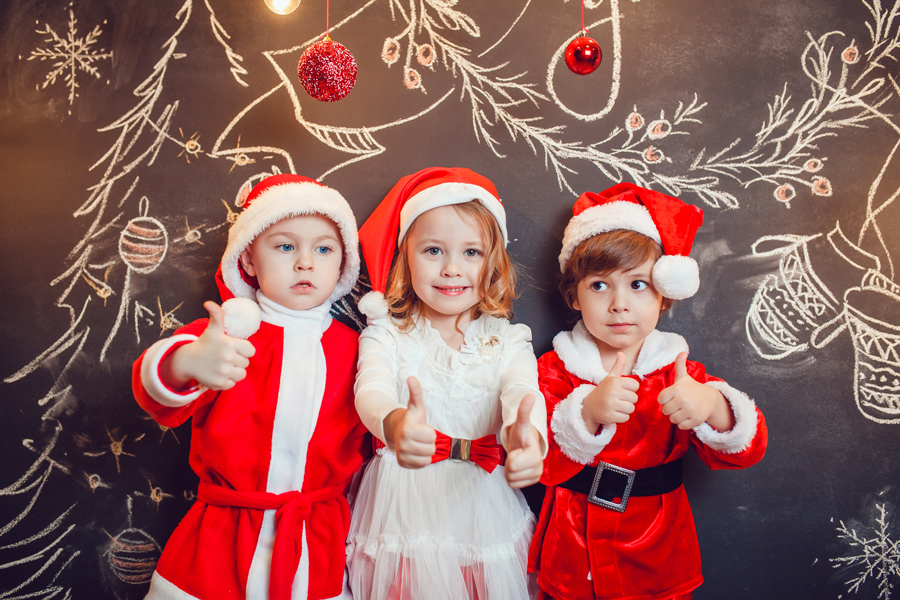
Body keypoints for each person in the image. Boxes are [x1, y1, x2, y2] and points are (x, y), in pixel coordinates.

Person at [132, 173, 369, 600]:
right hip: (222, 538)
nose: (305, 262)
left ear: (343, 262)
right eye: (284, 246)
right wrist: (186, 362)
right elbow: (156, 387)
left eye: (323, 248)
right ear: (247, 260)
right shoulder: (225, 336)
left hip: (316, 542)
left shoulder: (359, 349)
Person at [527, 183, 768, 600]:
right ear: (575, 295)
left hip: (657, 558)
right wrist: (584, 414)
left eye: (638, 284)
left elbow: (747, 449)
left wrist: (713, 406)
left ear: (663, 296)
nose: (620, 304)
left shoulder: (679, 373)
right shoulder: (553, 370)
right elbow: (532, 458)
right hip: (573, 554)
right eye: (600, 285)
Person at [347, 167, 548, 600]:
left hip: (482, 508)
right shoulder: (386, 334)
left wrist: (526, 437)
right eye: (433, 250)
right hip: (404, 512)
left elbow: (522, 393)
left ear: (494, 262)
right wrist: (395, 423)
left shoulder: (509, 340)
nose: (452, 268)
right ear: (406, 256)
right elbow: (372, 390)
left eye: (471, 253)